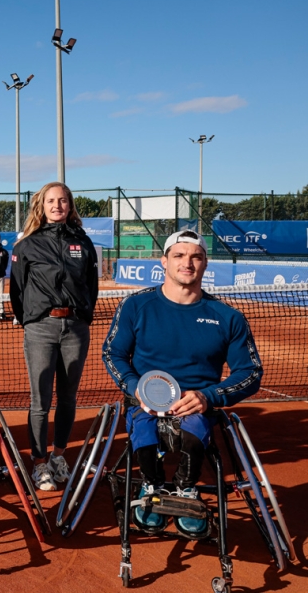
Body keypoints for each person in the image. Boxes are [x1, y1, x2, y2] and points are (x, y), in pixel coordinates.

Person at [103, 229, 262, 536]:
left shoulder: (229, 317)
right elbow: (114, 352)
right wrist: (136, 386)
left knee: (195, 427)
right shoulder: (135, 305)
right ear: (164, 262)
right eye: (179, 256)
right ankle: (150, 486)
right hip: (144, 401)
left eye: (196, 257)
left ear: (205, 264)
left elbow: (251, 372)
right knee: (144, 428)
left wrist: (209, 396)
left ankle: (186, 490)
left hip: (198, 406)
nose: (187, 263)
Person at [9, 182, 98, 492]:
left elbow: (91, 286)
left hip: (76, 328)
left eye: (63, 200)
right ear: (41, 206)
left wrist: (82, 316)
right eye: (51, 201)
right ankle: (38, 462)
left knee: (69, 397)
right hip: (40, 329)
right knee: (40, 401)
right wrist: (32, 321)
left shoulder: (83, 243)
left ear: (70, 206)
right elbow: (17, 291)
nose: (57, 205)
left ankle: (59, 456)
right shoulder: (27, 245)